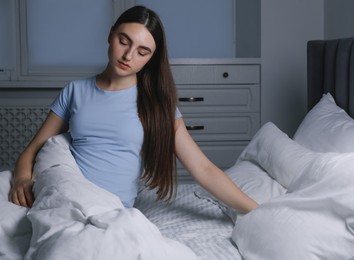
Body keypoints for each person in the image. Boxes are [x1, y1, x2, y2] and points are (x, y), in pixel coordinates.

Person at [9, 6, 258, 214]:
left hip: (112, 210)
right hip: (67, 195)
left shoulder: (157, 106)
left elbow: (204, 170)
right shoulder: (75, 90)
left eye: (142, 52)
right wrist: (21, 178)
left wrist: (256, 211)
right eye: (123, 41)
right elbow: (32, 151)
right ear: (110, 36)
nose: (128, 55)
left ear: (151, 58)